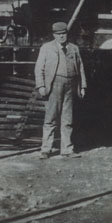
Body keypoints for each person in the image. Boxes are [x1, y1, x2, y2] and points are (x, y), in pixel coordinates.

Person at [35, 22, 87, 159]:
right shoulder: (46, 48)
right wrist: (41, 86)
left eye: (63, 34)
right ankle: (46, 149)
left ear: (67, 34)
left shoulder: (74, 48)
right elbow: (39, 68)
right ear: (54, 35)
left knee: (67, 119)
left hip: (71, 84)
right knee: (50, 118)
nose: (61, 37)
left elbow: (80, 67)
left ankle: (67, 150)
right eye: (58, 34)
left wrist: (82, 86)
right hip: (54, 84)